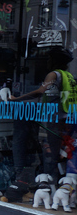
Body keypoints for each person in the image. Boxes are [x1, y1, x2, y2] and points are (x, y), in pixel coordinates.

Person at [10, 47, 75, 183]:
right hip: (65, 119)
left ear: (54, 61)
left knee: (50, 153)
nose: (47, 62)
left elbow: (40, 91)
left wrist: (17, 99)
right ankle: (56, 181)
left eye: (49, 59)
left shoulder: (53, 74)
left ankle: (50, 183)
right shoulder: (67, 75)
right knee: (58, 152)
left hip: (54, 119)